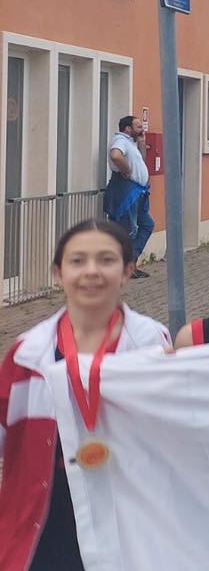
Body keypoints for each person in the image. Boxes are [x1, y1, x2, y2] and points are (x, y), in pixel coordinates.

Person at [0, 220, 170, 570]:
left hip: (127, 519)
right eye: (78, 261)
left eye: (106, 260)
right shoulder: (28, 352)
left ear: (128, 270)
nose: (91, 271)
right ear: (58, 273)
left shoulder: (153, 344)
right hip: (46, 518)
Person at [103, 115, 153, 277]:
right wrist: (126, 169)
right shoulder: (120, 141)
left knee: (147, 224)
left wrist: (142, 144)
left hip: (138, 192)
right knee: (128, 230)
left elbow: (142, 161)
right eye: (138, 127)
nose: (142, 129)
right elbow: (115, 155)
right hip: (127, 192)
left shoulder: (131, 143)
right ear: (127, 129)